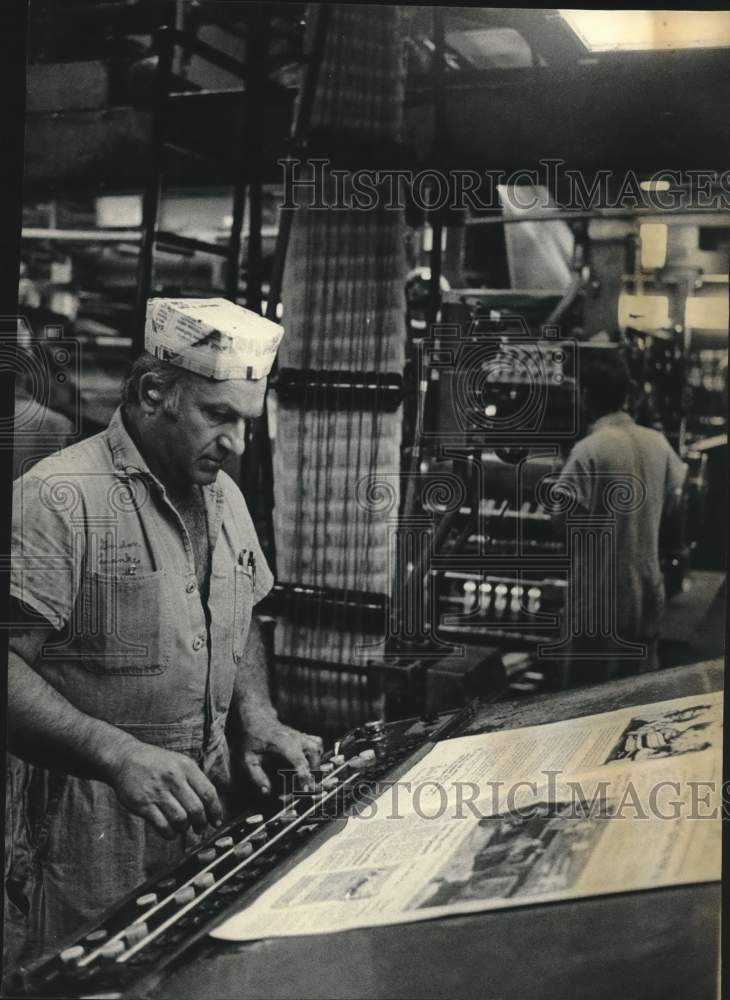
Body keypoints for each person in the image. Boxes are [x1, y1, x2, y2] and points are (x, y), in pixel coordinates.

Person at [5, 298, 322, 969]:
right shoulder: (61, 498)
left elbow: (239, 614)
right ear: (156, 392)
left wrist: (257, 715)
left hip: (201, 810)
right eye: (220, 416)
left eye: (247, 422)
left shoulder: (224, 496)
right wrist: (119, 756)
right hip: (89, 836)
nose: (238, 444)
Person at [549, 348, 687, 686]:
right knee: (637, 698)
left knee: (587, 702)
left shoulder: (589, 450)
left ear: (583, 395)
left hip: (601, 600)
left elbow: (562, 523)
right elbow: (674, 506)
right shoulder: (658, 443)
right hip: (648, 593)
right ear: (625, 395)